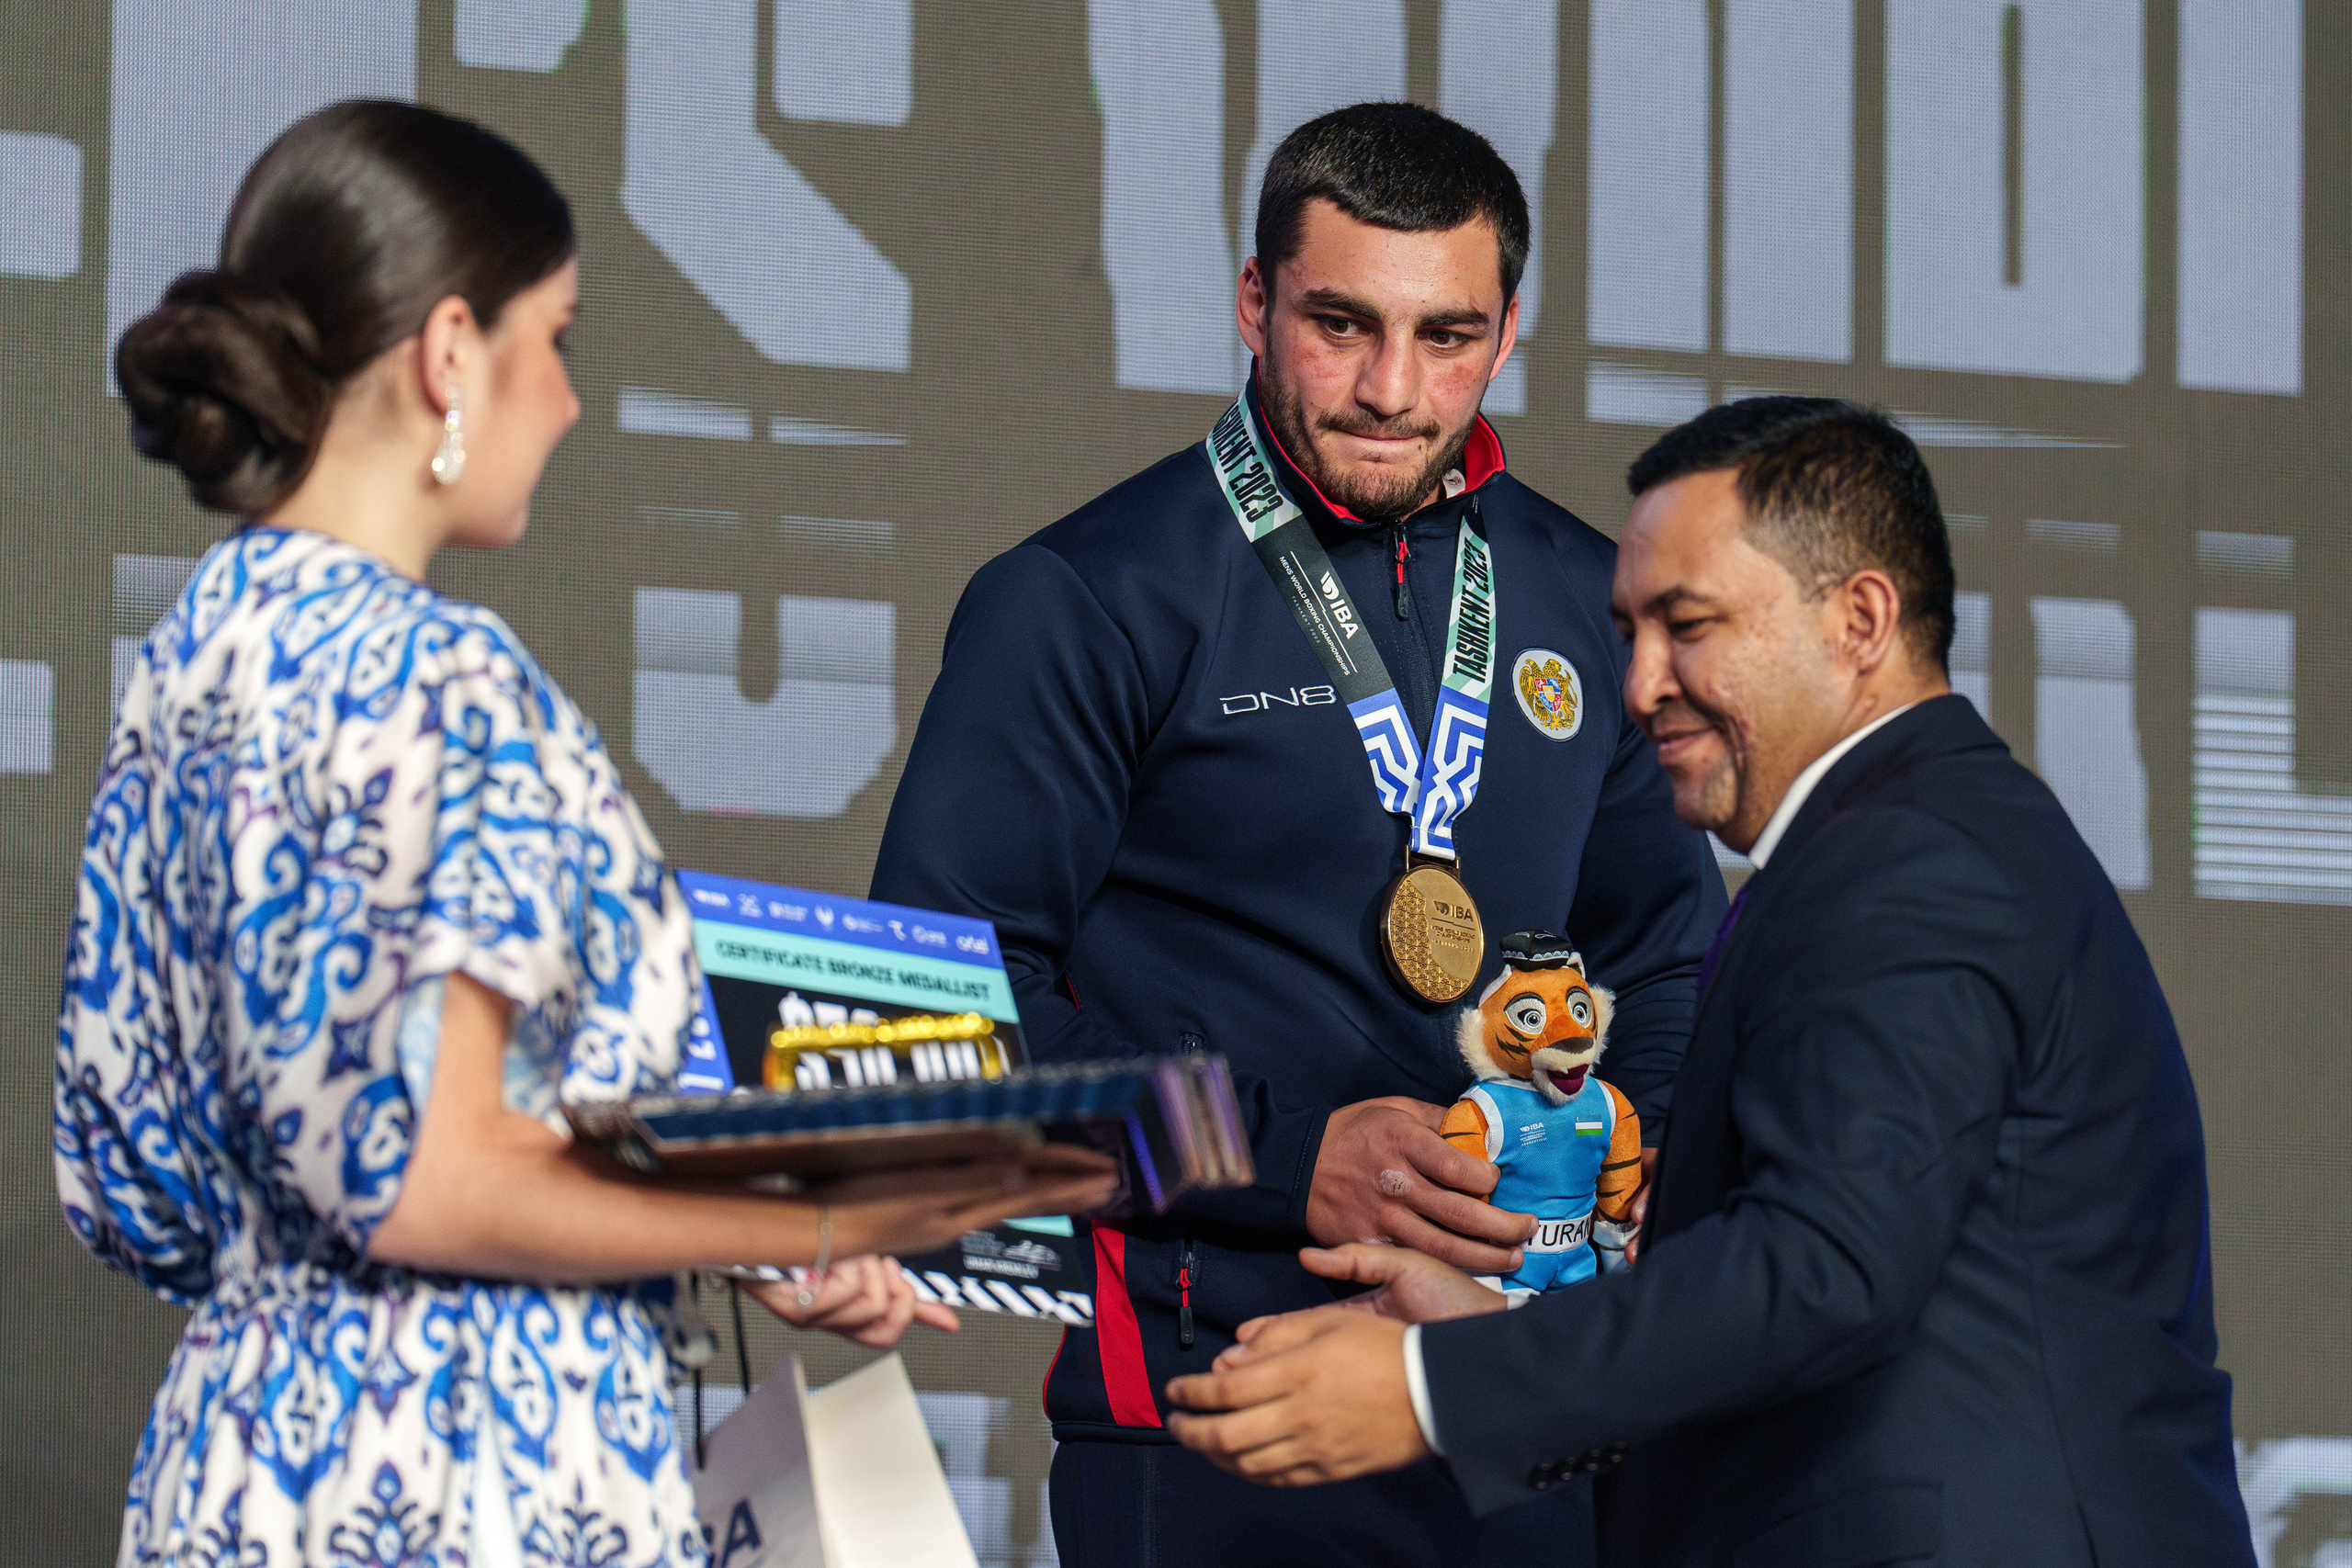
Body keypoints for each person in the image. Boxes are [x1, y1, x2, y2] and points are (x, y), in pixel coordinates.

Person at [56, 100, 1114, 1568]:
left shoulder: (188, 660)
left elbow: (134, 1190)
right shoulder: (444, 677)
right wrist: (792, 1221)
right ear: (446, 354)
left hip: (237, 1462)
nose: (562, 398)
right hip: (465, 1477)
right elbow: (435, 1174)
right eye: (549, 340)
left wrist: (726, 1219)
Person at [1161, 397, 2256, 1566]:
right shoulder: (1901, 842)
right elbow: (1849, 1296)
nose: (1637, 685)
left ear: (1860, 620)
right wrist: (1503, 1327)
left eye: (1686, 627)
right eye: (1628, 632)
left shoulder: (1913, 863)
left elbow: (1825, 1270)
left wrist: (1439, 1387)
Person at [869, 102, 1724, 1567]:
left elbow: (1670, 967)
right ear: (1255, 302)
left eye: (1446, 336)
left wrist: (1605, 1167)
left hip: (1519, 1414)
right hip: (1215, 1414)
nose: (1394, 389)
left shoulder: (1591, 601)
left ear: (1509, 330)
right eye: (1341, 324)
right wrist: (1281, 1155)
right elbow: (926, 1021)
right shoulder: (1090, 597)